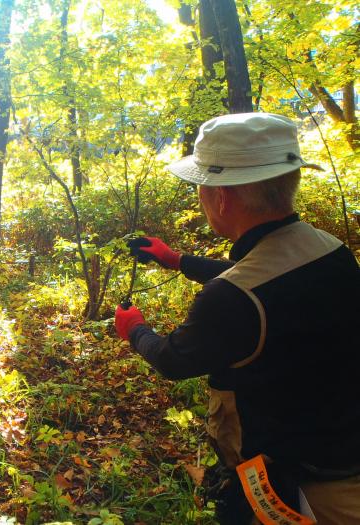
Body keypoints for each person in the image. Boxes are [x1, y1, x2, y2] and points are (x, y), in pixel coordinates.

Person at [114, 113, 360, 524]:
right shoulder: (329, 250)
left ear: (222, 198)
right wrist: (177, 261)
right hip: (345, 455)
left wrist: (135, 330)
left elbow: (175, 359)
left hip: (297, 491)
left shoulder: (229, 298)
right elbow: (270, 285)